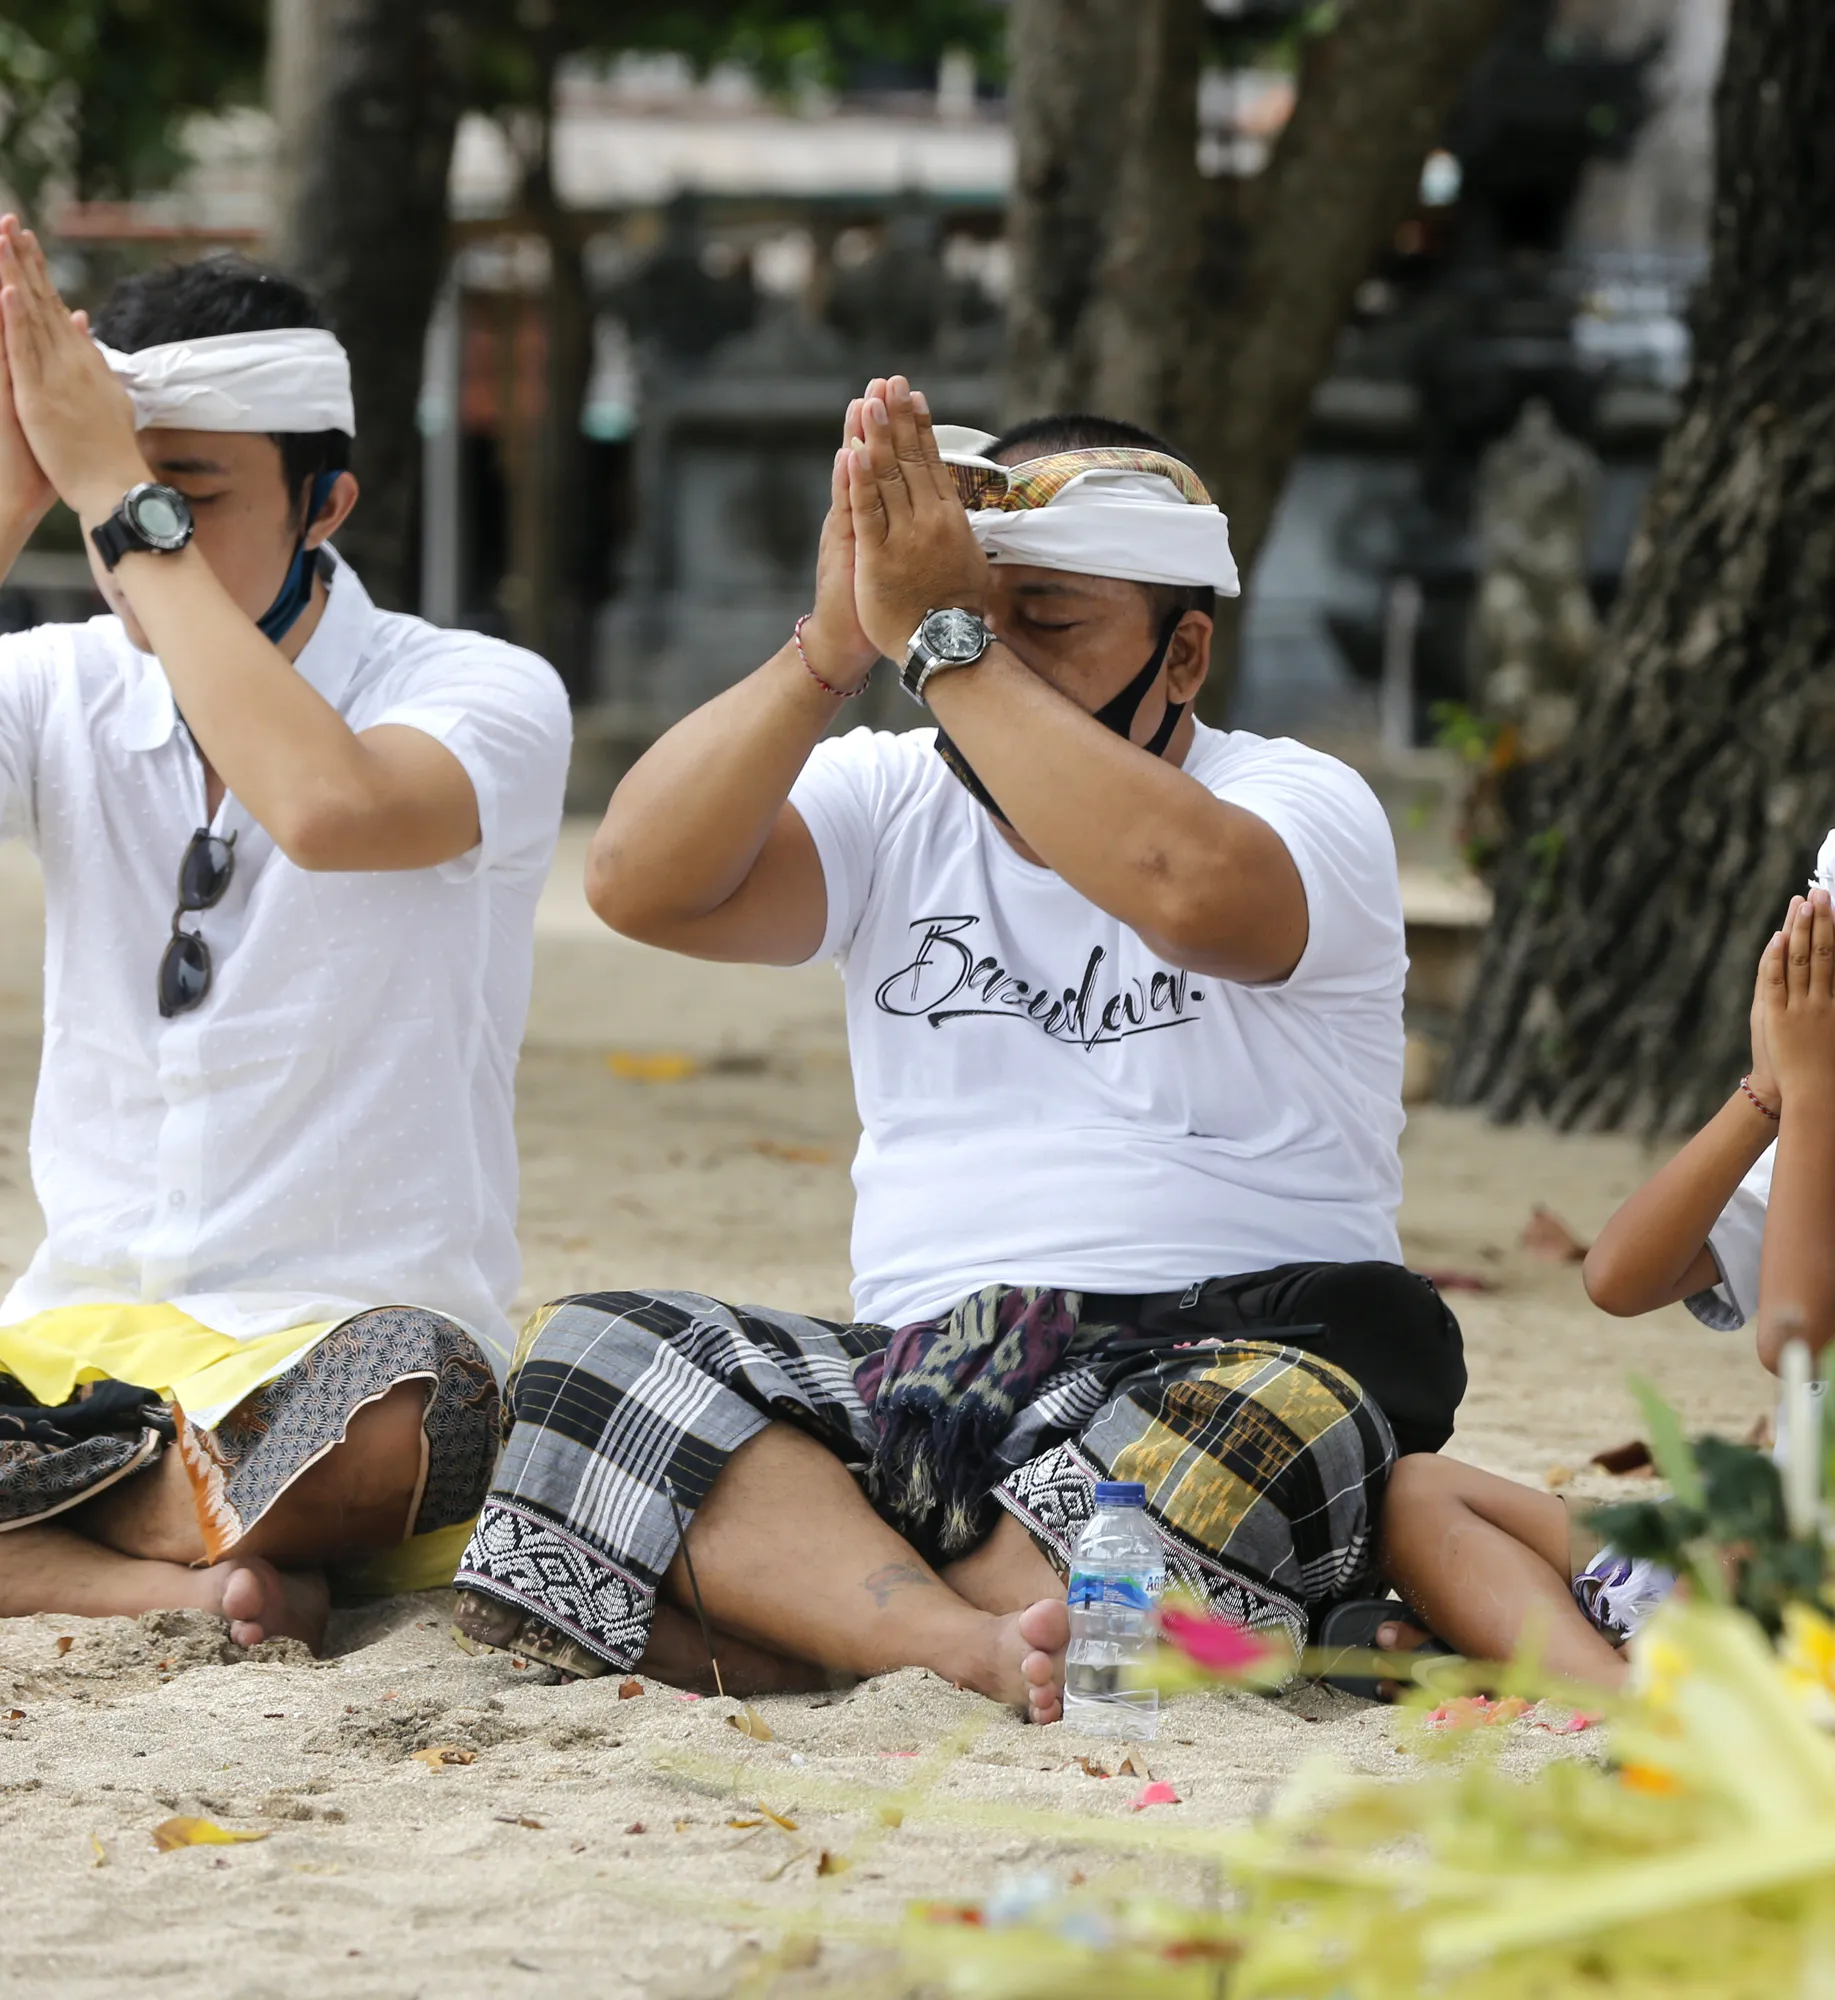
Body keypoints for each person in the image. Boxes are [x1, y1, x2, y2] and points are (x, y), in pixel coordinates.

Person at [454, 382, 1456, 1721]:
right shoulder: (888, 793)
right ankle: (969, 1640)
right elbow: (641, 882)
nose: (983, 658)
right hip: (923, 1388)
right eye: (956, 618)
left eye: (1042, 624)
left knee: (1284, 1419)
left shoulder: (1296, 800)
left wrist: (945, 644)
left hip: (1207, 1365)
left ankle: (819, 1611)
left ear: (1185, 657)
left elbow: (1190, 891)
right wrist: (829, 643)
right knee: (593, 1353)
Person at [0, 226, 571, 1652]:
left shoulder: (482, 689)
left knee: (402, 1423)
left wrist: (118, 497)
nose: (129, 546)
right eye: (102, 497)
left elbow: (327, 806)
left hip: (339, 1349)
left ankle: (77, 1530)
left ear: (328, 505)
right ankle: (174, 1576)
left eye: (184, 498)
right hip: (73, 1344)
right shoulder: (58, 683)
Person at [1380, 826, 1835, 1687]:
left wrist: (1810, 1096)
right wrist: (1769, 1090)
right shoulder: (1831, 1158)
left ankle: (1602, 1657)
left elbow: (1803, 1340)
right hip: (1756, 1556)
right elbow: (1619, 1277)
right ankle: (1622, 1688)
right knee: (1418, 1491)